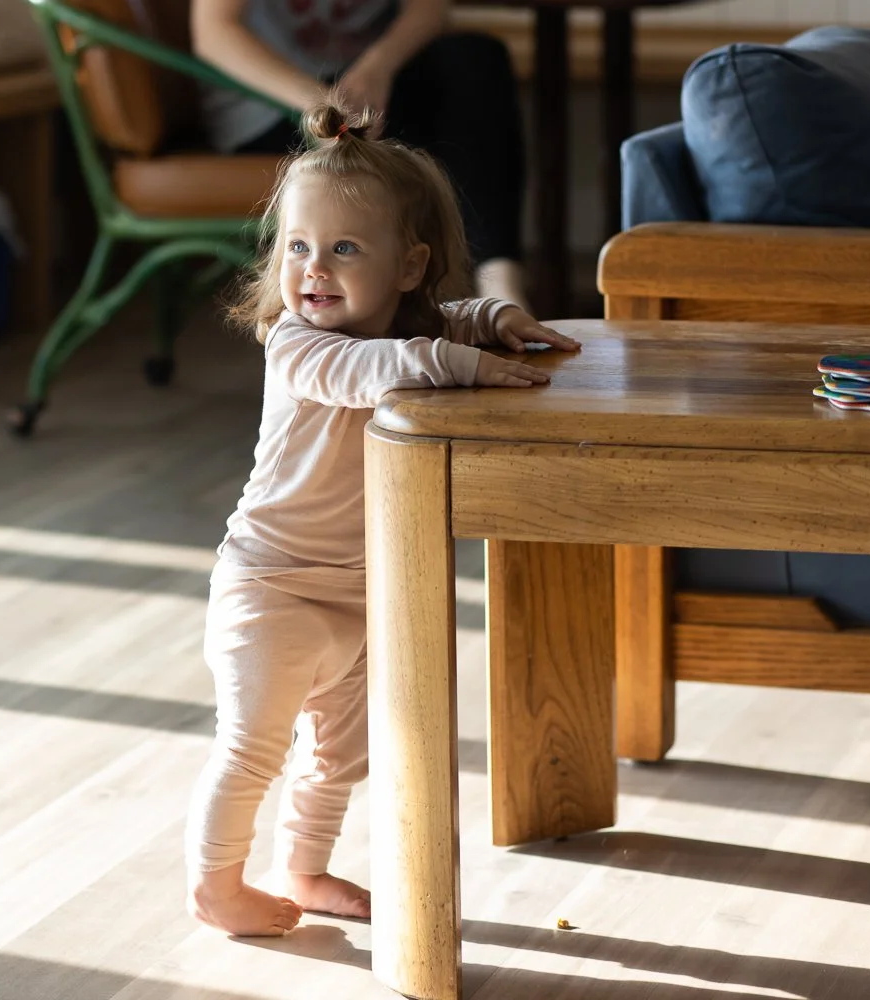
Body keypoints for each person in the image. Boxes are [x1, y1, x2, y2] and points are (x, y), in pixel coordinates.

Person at [184, 100, 580, 937]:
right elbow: (379, 368)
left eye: (345, 249)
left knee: (339, 758)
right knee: (253, 748)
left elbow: (442, 325)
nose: (313, 269)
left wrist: (495, 320)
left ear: (409, 267)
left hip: (361, 594)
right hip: (272, 586)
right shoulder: (296, 342)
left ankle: (306, 868)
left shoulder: (409, 324)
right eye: (298, 247)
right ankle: (216, 885)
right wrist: (458, 361)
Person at [192, 0, 531, 308]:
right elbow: (214, 32)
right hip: (267, 103)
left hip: (369, 81)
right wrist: (320, 104)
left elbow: (429, 9)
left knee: (474, 59)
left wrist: (377, 68)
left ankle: (498, 284)